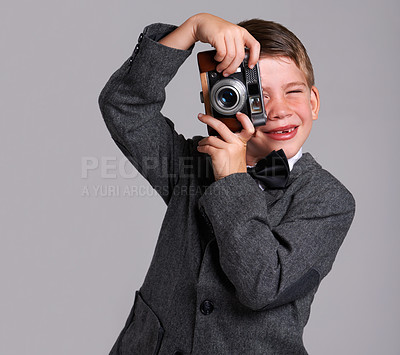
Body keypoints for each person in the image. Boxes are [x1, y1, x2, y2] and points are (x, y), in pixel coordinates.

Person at [98, 13, 355, 355]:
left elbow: (262, 286)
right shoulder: (192, 164)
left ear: (313, 102)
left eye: (293, 92)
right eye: (259, 96)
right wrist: (192, 28)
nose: (279, 110)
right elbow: (124, 106)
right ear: (224, 100)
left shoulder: (329, 200)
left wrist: (233, 179)